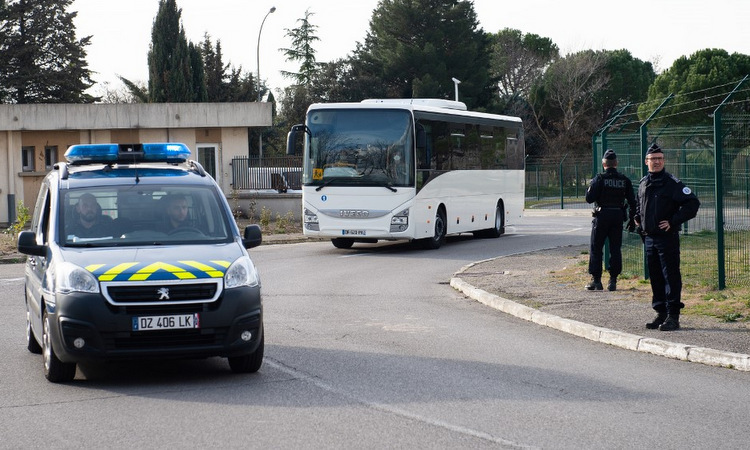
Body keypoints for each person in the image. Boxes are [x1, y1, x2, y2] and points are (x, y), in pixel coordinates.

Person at [635, 143, 700, 331]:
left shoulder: (672, 183)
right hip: (649, 238)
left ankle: (673, 316)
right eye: (653, 159)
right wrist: (638, 217)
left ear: (663, 161)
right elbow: (639, 203)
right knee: (655, 276)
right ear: (646, 161)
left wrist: (673, 221)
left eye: (659, 159)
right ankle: (660, 312)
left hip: (666, 237)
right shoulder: (643, 183)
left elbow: (692, 203)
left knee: (670, 275)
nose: (656, 162)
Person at [584, 149, 636, 291]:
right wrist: (632, 219)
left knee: (596, 248)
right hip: (617, 216)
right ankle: (613, 280)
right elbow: (633, 201)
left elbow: (589, 199)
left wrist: (590, 186)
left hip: (601, 216)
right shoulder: (624, 180)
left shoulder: (599, 179)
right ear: (616, 163)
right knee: (615, 249)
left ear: (603, 164)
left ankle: (597, 281)